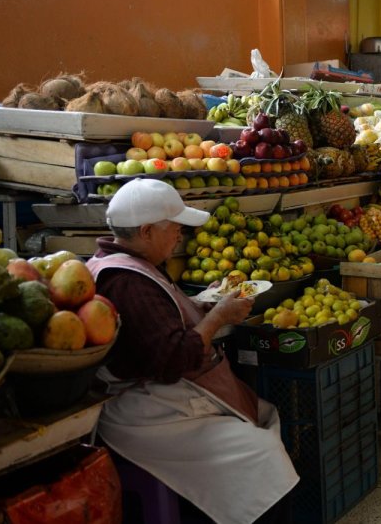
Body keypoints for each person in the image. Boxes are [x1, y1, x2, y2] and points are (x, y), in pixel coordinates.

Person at [88, 180, 298, 524]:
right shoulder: (126, 281)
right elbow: (173, 358)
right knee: (264, 456)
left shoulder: (132, 263)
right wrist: (218, 317)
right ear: (146, 231)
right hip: (149, 414)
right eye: (174, 228)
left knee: (264, 424)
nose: (179, 236)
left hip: (164, 400)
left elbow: (158, 321)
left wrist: (200, 303)